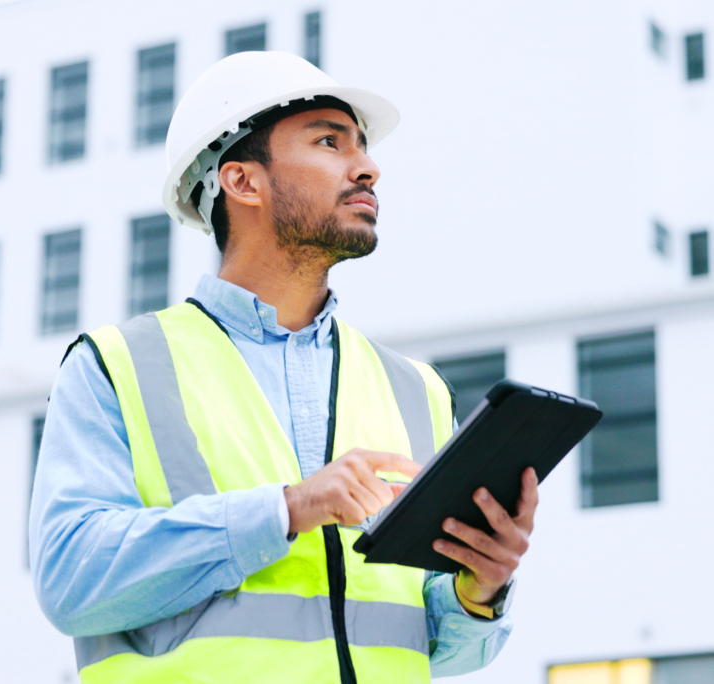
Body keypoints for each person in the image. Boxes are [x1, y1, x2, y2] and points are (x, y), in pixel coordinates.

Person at [30, 51, 538, 684]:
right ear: (243, 182)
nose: (369, 168)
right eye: (330, 141)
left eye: (363, 147)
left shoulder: (417, 390)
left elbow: (438, 651)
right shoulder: (117, 365)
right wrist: (288, 510)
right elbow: (72, 581)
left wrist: (479, 591)